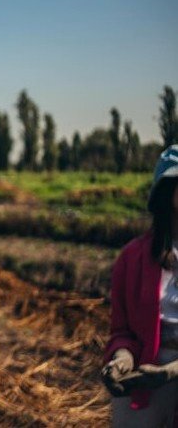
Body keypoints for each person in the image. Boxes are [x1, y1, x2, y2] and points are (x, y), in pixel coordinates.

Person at [103, 144, 178, 427]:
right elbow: (121, 331)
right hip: (146, 376)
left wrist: (173, 370)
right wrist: (121, 359)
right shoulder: (132, 258)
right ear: (166, 192)